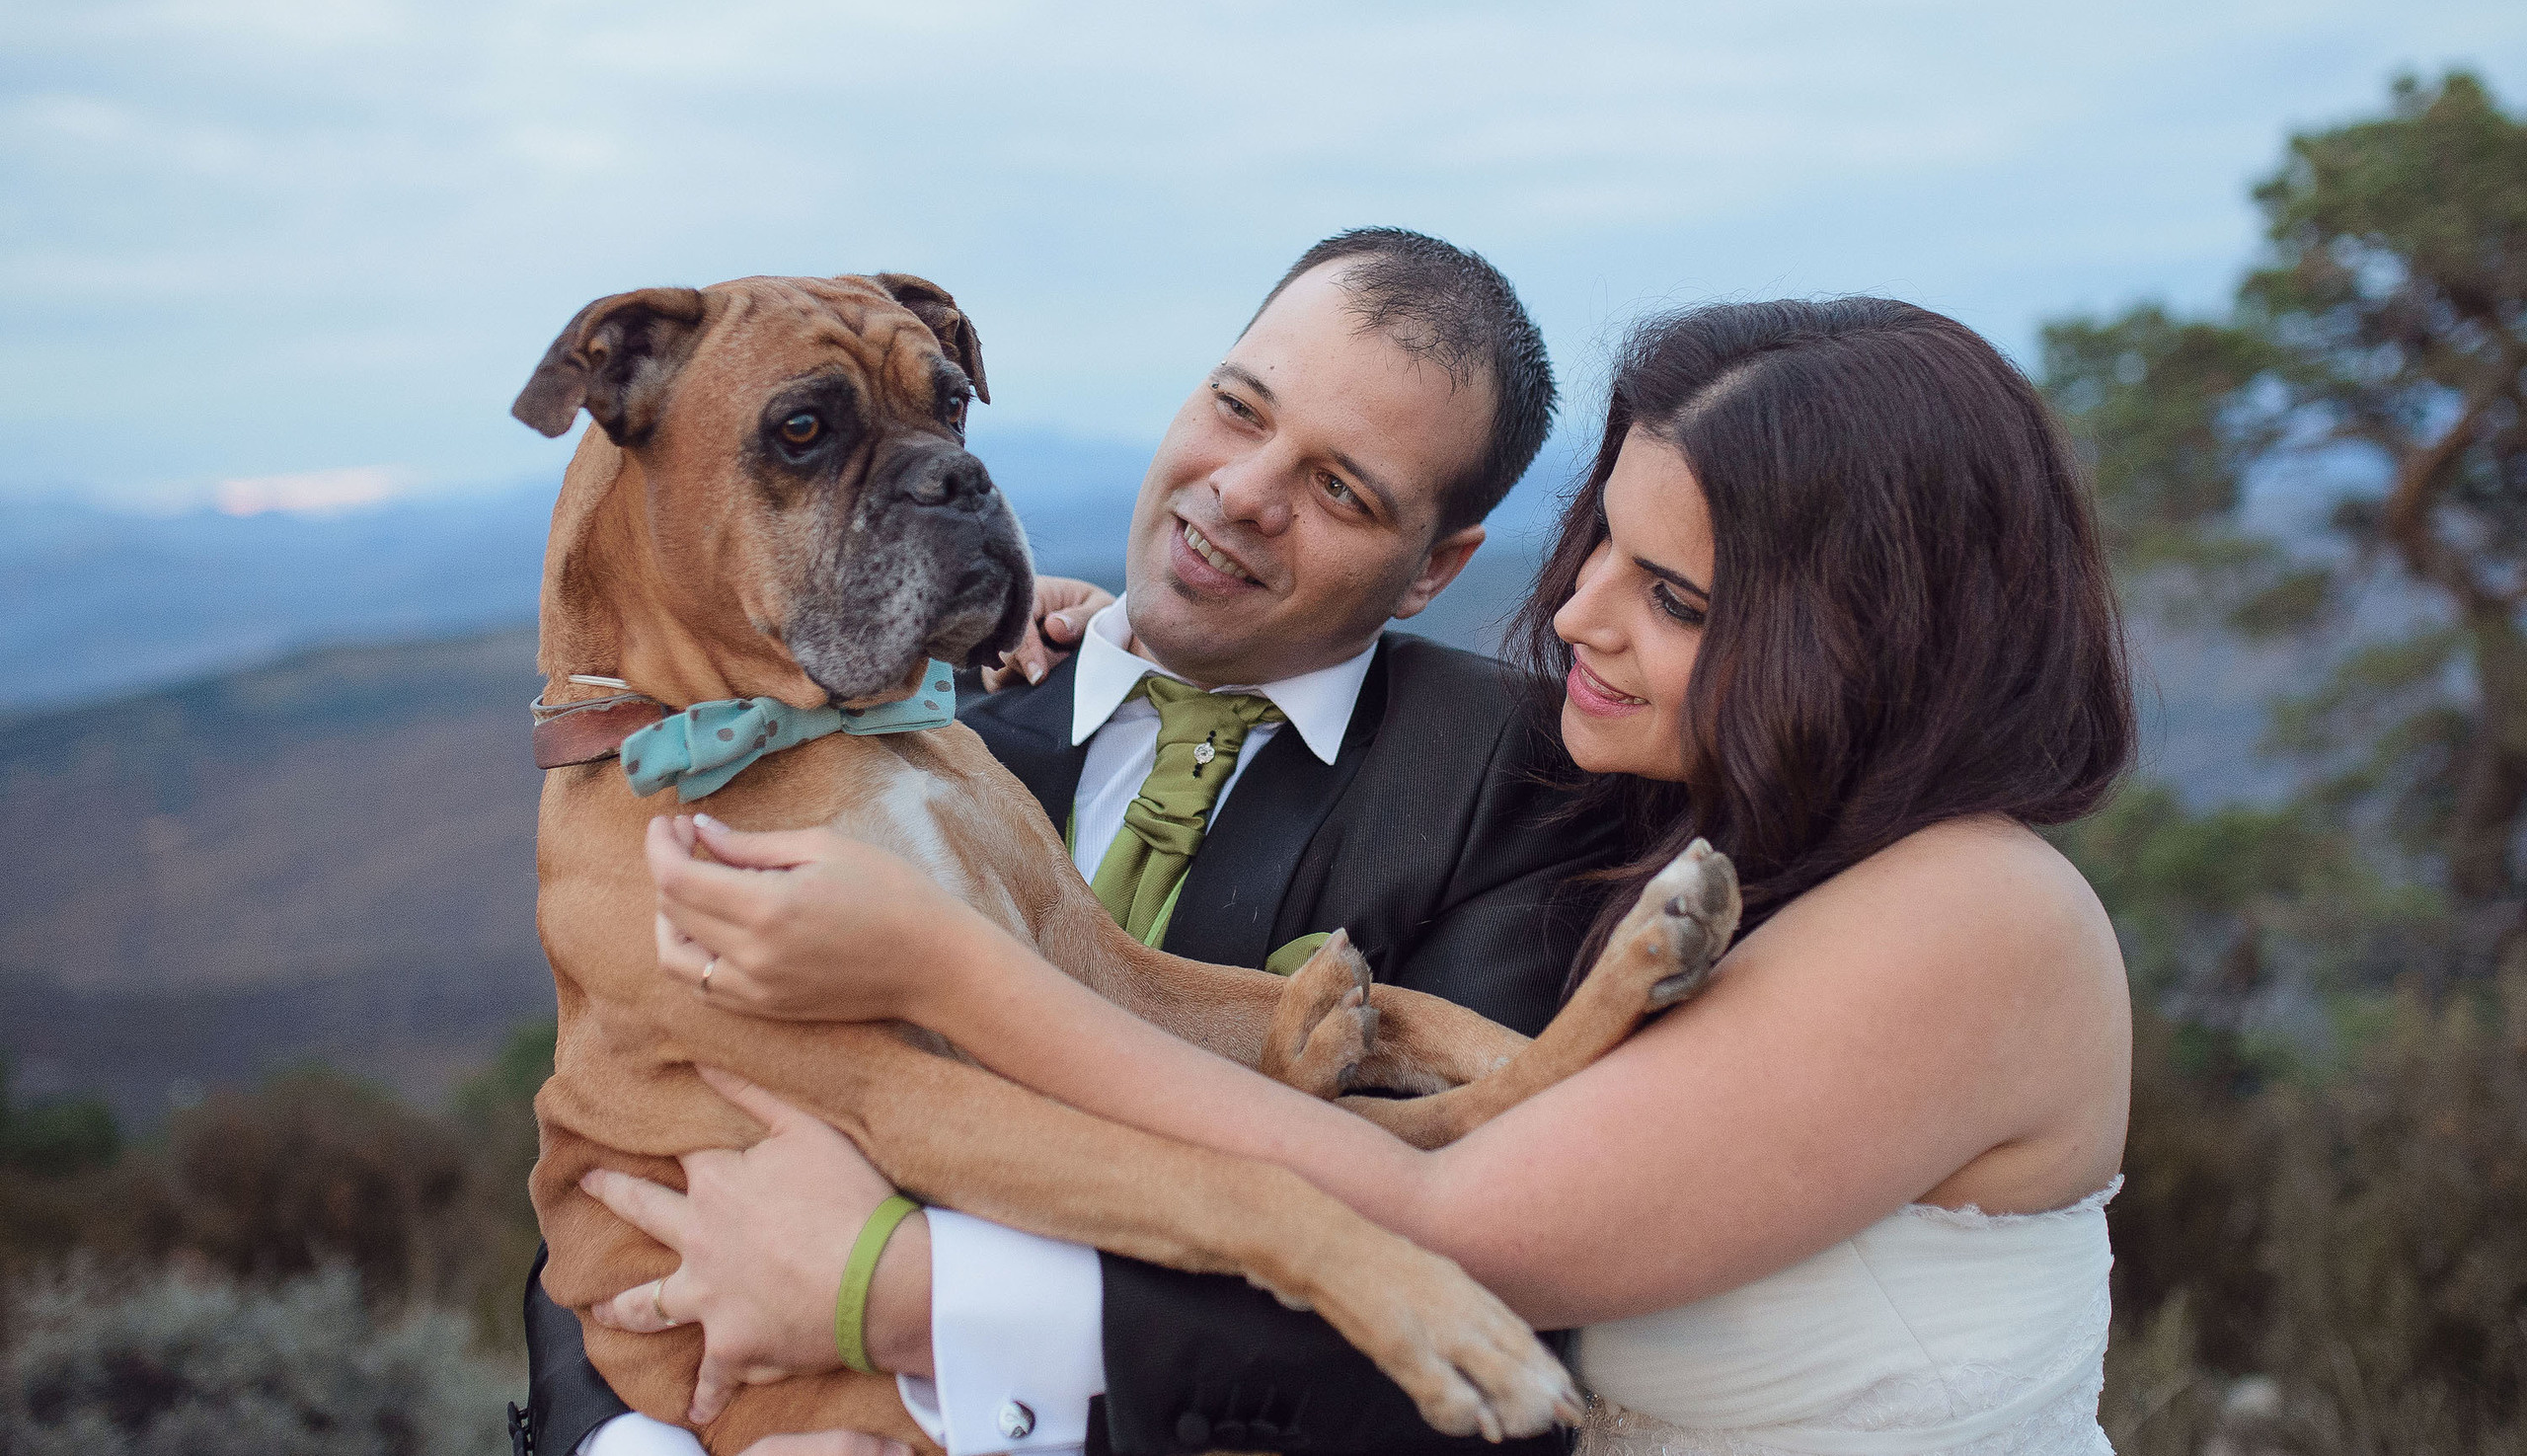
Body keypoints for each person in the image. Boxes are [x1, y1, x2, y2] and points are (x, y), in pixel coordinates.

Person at [582, 297, 2140, 1456]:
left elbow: (1450, 1225)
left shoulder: (1961, 917)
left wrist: (902, 1235)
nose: (1581, 617)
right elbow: (633, 1139)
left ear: (1871, 642)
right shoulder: (934, 711)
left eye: (1669, 595)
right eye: (1596, 545)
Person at [522, 229, 1630, 1456]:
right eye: (1237, 409)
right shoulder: (916, 721)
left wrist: (906, 1291)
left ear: (1432, 572)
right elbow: (608, 1193)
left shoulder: (1515, 778)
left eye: (1341, 490)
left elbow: (1516, 1255)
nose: (1245, 491)